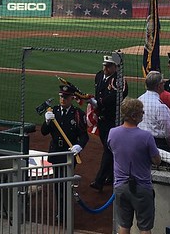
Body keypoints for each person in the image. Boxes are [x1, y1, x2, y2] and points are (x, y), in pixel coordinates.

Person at [108, 98, 161, 234]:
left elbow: (113, 149)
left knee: (124, 226)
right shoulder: (146, 137)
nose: (142, 115)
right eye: (141, 112)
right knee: (145, 228)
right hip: (142, 187)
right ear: (133, 115)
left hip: (121, 186)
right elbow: (156, 160)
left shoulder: (113, 132)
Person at [42, 85, 88, 221]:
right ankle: (61, 211)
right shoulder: (53, 112)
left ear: (72, 98)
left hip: (69, 154)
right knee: (58, 184)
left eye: (66, 97)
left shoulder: (78, 114)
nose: (63, 99)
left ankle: (66, 210)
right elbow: (44, 132)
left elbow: (84, 135)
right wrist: (46, 121)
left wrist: (79, 146)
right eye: (61, 96)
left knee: (66, 183)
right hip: (56, 152)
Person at [90, 54, 128, 191]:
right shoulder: (99, 76)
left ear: (115, 67)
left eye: (109, 66)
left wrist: (98, 102)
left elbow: (116, 98)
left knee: (109, 148)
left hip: (114, 120)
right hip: (102, 119)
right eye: (104, 65)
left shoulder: (119, 80)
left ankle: (99, 180)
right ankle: (111, 176)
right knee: (109, 148)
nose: (105, 68)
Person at [137, 71, 170, 151]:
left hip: (139, 140)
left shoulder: (139, 100)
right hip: (157, 144)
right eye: (162, 83)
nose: (164, 84)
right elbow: (169, 131)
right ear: (158, 86)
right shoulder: (160, 106)